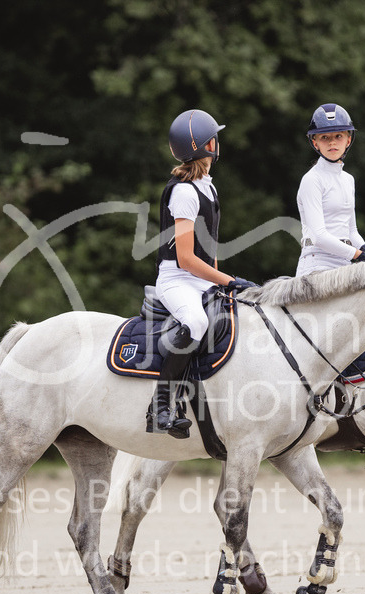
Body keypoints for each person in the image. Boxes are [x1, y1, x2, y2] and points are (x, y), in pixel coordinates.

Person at [147, 109, 257, 437]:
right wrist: (229, 281)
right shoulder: (184, 191)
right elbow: (185, 258)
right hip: (177, 279)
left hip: (200, 278)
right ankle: (161, 406)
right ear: (210, 145)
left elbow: (209, 250)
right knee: (196, 322)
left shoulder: (207, 187)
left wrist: (221, 283)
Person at [296, 103, 365, 277]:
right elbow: (319, 235)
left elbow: (351, 231)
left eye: (338, 136)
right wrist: (358, 254)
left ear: (348, 140)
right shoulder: (312, 179)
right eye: (324, 137)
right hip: (317, 263)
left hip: (344, 263)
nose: (332, 142)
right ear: (315, 143)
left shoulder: (348, 180)